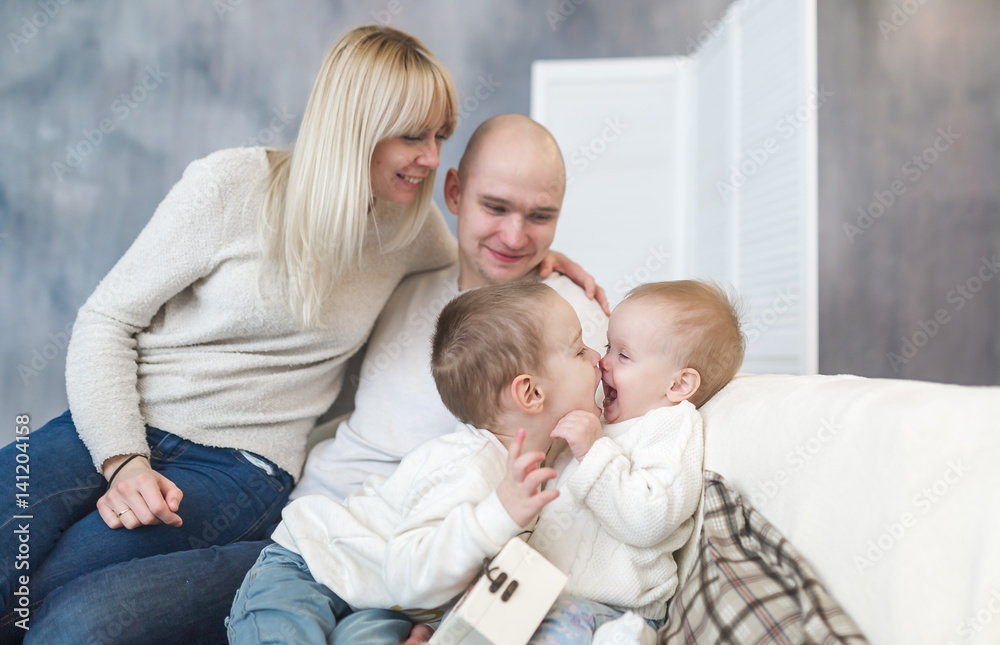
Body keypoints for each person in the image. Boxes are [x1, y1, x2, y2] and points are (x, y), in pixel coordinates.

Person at [0, 26, 600, 640]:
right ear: (355, 127)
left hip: (238, 466)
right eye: (411, 135)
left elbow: (488, 252)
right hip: (116, 420)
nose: (429, 157)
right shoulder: (228, 186)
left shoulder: (407, 232)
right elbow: (107, 320)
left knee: (55, 591)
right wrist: (125, 459)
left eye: (439, 136)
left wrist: (546, 266)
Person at [227, 281, 603, 643]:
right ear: (531, 392)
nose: (598, 358)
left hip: (380, 604)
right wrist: (498, 515)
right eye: (580, 350)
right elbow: (408, 573)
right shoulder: (469, 467)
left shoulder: (541, 462)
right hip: (310, 566)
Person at [525, 279, 746, 641]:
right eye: (608, 346)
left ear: (678, 386)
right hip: (546, 597)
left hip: (612, 609)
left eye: (623, 355)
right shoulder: (599, 422)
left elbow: (651, 519)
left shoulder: (670, 427)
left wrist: (593, 452)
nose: (602, 360)